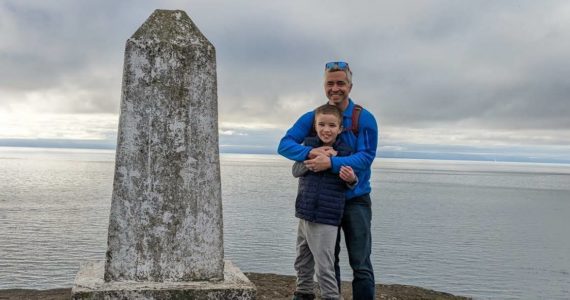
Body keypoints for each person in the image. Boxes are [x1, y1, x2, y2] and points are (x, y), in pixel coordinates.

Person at [278, 61, 378, 299]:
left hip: (355, 199)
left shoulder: (364, 119)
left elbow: (366, 157)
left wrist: (331, 164)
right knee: (327, 260)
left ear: (350, 86)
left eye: (340, 83)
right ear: (324, 86)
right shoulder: (314, 117)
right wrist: (312, 153)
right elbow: (284, 144)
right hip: (324, 202)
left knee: (360, 263)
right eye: (330, 83)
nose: (335, 88)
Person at [290, 104, 358, 300]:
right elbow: (295, 171)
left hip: (326, 218)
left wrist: (350, 178)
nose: (326, 129)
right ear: (315, 125)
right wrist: (313, 155)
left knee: (324, 266)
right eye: (322, 124)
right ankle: (303, 293)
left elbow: (353, 183)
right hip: (304, 212)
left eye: (332, 125)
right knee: (302, 259)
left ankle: (331, 297)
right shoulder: (308, 146)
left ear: (340, 128)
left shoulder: (345, 152)